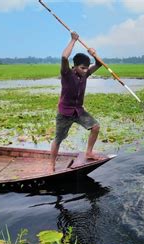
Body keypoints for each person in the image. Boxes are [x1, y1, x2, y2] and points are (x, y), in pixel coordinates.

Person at [50, 31, 103, 172]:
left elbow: (99, 64)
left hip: (78, 110)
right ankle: (51, 165)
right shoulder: (67, 74)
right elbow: (64, 57)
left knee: (95, 127)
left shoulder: (85, 75)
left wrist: (94, 54)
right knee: (58, 139)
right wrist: (73, 40)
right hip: (65, 112)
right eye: (82, 68)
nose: (86, 70)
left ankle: (89, 152)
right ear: (75, 67)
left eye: (87, 68)